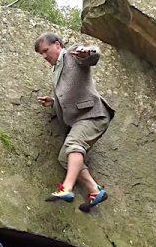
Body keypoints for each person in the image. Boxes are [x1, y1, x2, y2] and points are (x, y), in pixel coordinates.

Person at [34, 32, 115, 212]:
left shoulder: (72, 54)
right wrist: (54, 103)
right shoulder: (56, 71)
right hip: (79, 120)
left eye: (46, 50)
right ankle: (95, 190)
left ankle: (66, 188)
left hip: (93, 115)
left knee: (74, 144)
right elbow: (68, 97)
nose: (45, 56)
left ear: (57, 45)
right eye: (41, 54)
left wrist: (89, 52)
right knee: (64, 157)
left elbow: (93, 55)